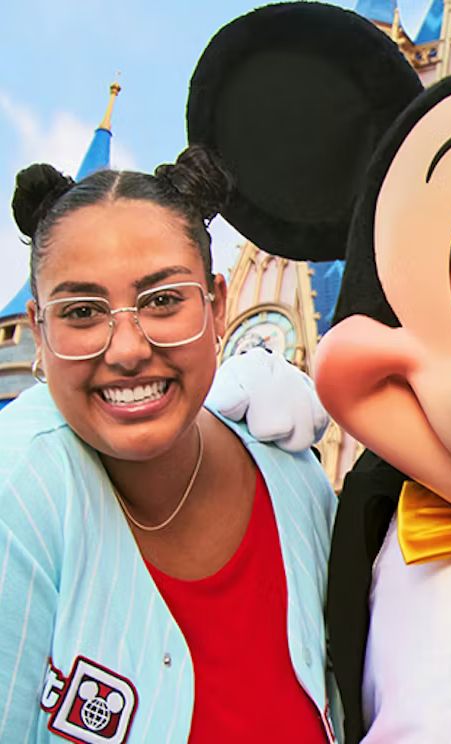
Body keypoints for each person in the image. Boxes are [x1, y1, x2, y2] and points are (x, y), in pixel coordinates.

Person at [0, 148, 336, 743]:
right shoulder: (20, 489)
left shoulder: (296, 482)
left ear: (217, 305)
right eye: (82, 311)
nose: (127, 348)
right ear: (41, 332)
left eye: (162, 301)